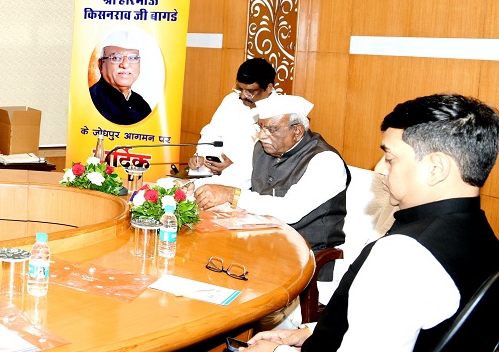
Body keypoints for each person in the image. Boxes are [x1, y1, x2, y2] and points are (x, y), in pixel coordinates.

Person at [243, 94, 499, 352]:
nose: (379, 169)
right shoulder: (481, 234)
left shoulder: (403, 254)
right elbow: (406, 325)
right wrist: (309, 332)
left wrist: (276, 351)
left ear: (436, 168)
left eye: (389, 158)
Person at [195, 94, 349, 265]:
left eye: (271, 129)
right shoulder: (262, 148)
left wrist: (232, 195)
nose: (261, 135)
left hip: (305, 256)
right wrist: (195, 188)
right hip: (260, 246)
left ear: (297, 131)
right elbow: (233, 180)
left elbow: (289, 211)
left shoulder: (326, 161)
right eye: (260, 127)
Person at [187, 58, 278, 187]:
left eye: (250, 91)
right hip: (210, 171)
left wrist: (233, 162)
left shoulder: (279, 113)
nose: (243, 95)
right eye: (240, 89)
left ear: (268, 88)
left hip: (246, 178)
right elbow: (211, 132)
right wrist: (200, 155)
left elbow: (270, 156)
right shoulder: (231, 100)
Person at [88, 30, 152, 125]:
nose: (125, 65)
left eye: (133, 58)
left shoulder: (142, 105)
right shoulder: (90, 101)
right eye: (115, 58)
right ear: (100, 64)